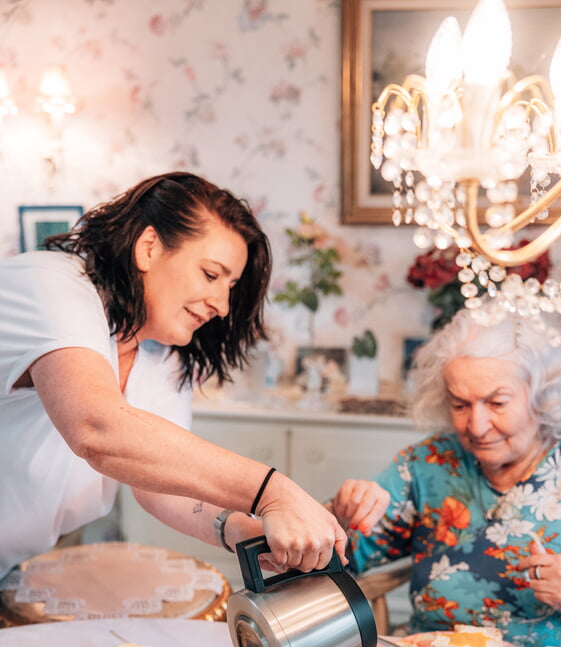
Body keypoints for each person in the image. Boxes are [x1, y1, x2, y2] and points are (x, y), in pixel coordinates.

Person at [0, 172, 347, 579]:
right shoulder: (52, 286)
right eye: (211, 275)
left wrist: (243, 531)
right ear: (148, 248)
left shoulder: (160, 354)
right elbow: (98, 429)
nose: (222, 304)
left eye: (231, 286)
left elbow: (160, 487)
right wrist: (273, 491)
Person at [330, 301, 561, 647]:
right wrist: (341, 516)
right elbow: (342, 556)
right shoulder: (428, 463)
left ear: (542, 396)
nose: (478, 426)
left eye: (497, 403)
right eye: (460, 405)